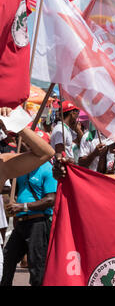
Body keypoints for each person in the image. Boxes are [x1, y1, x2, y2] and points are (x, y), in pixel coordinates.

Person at [0, 107, 55, 283]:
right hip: (22, 222)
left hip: (38, 222)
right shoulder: (17, 170)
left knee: (36, 266)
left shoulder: (46, 169)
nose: (22, 144)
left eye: (27, 143)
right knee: (9, 260)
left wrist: (16, 122)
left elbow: (46, 153)